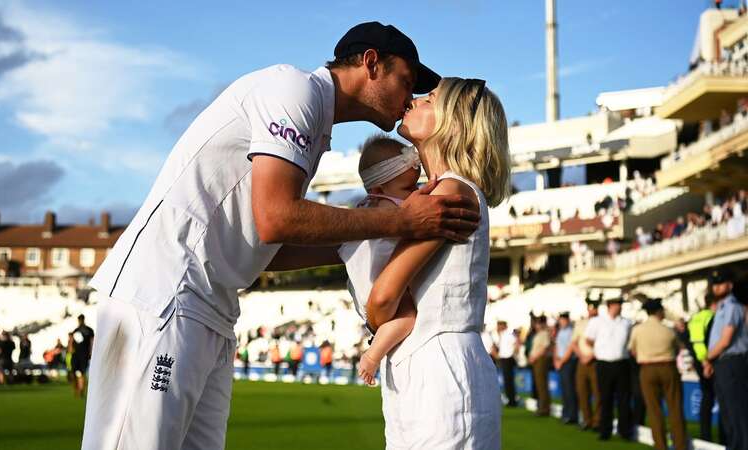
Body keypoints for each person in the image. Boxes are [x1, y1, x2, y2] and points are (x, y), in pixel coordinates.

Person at [81, 21, 477, 450]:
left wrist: (365, 244)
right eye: (407, 80)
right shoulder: (295, 90)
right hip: (165, 295)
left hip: (207, 305)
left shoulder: (314, 124)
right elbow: (275, 218)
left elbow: (267, 247)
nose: (409, 98)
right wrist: (400, 223)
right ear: (371, 64)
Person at [365, 76, 511, 448]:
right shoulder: (440, 189)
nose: (414, 99)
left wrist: (377, 316)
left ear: (453, 121)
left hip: (441, 367)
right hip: (426, 367)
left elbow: (382, 300)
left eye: (429, 98)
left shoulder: (450, 190)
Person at [338, 135, 421, 385]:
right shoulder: (389, 210)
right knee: (407, 318)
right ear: (378, 190)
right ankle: (373, 356)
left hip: (367, 281)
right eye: (409, 189)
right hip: (378, 283)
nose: (415, 193)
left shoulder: (368, 207)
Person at [628, 299, 688, 450]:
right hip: (668, 368)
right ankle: (680, 445)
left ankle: (660, 445)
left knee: (654, 410)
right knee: (675, 409)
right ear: (659, 312)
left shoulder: (637, 330)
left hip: (647, 369)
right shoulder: (668, 330)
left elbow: (632, 351)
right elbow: (679, 348)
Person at [703, 268, 748, 449]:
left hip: (733, 362)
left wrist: (707, 358)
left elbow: (725, 340)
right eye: (715, 284)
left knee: (737, 411)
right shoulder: (722, 308)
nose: (716, 288)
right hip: (722, 363)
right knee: (727, 412)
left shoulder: (732, 306)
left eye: (720, 284)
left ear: (730, 285)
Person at [586, 297, 633, 441]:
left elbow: (630, 341)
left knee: (623, 399)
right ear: (610, 306)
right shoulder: (597, 322)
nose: (619, 307)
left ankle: (625, 431)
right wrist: (600, 350)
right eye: (617, 305)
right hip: (604, 364)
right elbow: (589, 339)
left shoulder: (626, 322)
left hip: (622, 363)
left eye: (620, 305)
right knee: (605, 398)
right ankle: (605, 430)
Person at [683, 293, 718, 442]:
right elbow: (701, 342)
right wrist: (706, 362)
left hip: (701, 360)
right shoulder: (711, 316)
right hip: (708, 361)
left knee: (707, 397)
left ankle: (706, 435)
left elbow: (691, 340)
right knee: (712, 397)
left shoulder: (696, 317)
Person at [572, 296, 601, 431]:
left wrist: (591, 355)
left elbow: (604, 343)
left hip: (596, 360)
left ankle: (597, 421)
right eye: (590, 309)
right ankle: (587, 419)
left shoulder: (603, 323)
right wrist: (582, 356)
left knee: (598, 392)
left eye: (594, 308)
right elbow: (574, 343)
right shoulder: (581, 323)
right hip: (582, 360)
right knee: (582, 391)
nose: (592, 311)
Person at [554, 312, 578, 425]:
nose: (561, 322)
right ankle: (565, 413)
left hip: (568, 362)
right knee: (564, 389)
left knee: (570, 389)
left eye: (563, 320)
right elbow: (557, 346)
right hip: (561, 362)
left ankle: (572, 415)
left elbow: (570, 348)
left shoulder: (571, 331)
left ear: (567, 320)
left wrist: (561, 361)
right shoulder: (560, 332)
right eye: (560, 320)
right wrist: (556, 360)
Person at [528, 315, 551, 417]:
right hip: (536, 360)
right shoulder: (538, 334)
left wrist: (534, 357)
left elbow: (544, 348)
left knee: (542, 385)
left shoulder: (544, 333)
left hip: (540, 360)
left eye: (538, 323)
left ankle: (544, 408)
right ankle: (542, 407)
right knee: (539, 385)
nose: (536, 325)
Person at [494, 320, 519, 407]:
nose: (497, 327)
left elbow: (516, 343)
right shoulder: (502, 335)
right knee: (507, 381)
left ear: (503, 326)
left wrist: (513, 354)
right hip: (504, 359)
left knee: (509, 381)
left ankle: (512, 401)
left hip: (508, 358)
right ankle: (510, 400)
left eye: (499, 325)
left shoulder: (508, 335)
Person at [71, 315, 94, 398]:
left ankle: (81, 389)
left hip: (82, 354)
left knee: (81, 372)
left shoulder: (88, 330)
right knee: (77, 373)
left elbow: (92, 342)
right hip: (77, 354)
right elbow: (71, 342)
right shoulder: (77, 330)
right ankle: (79, 388)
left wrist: (91, 352)